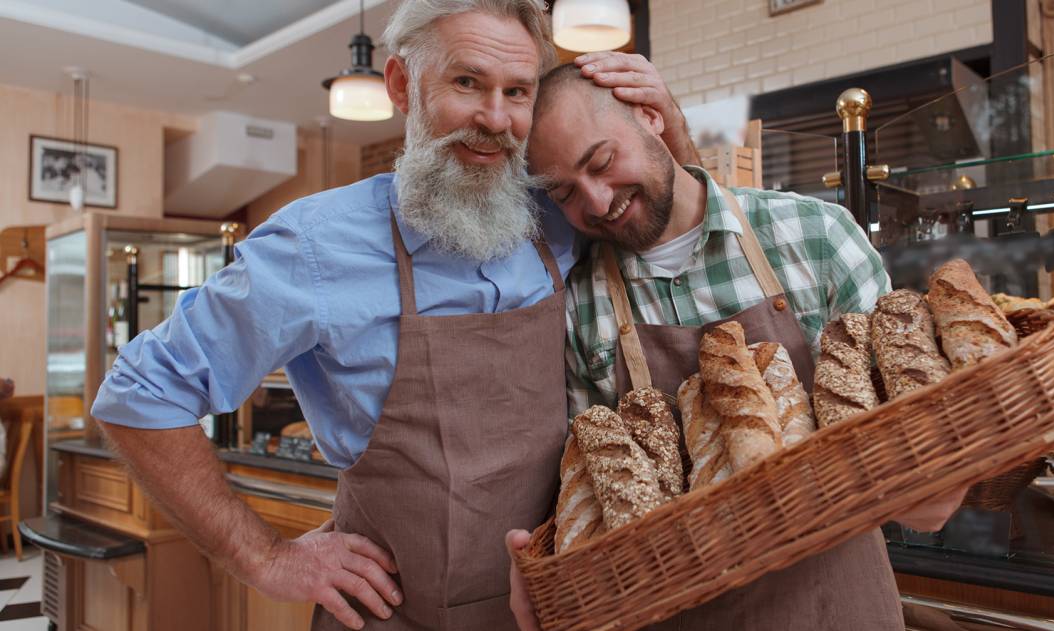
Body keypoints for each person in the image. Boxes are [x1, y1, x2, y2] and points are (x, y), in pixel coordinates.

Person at [90, 2, 695, 630]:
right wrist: (262, 556)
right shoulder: (315, 246)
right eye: (468, 82)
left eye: (517, 91)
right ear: (402, 84)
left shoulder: (556, 216)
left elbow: (687, 240)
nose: (495, 118)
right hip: (396, 616)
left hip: (556, 609)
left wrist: (670, 129)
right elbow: (141, 392)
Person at [506, 65, 969, 630]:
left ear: (653, 118)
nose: (598, 201)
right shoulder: (580, 304)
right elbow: (591, 490)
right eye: (564, 193)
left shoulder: (814, 236)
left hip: (838, 606)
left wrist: (934, 474)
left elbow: (916, 439)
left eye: (601, 163)